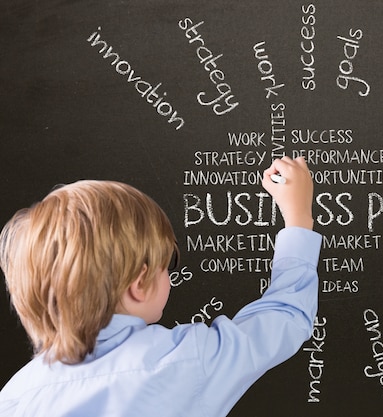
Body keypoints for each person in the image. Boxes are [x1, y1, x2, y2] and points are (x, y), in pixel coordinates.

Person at [0, 156, 321, 417]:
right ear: (139, 284)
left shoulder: (16, 395)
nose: (170, 275)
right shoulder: (184, 360)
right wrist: (298, 219)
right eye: (169, 263)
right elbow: (284, 317)